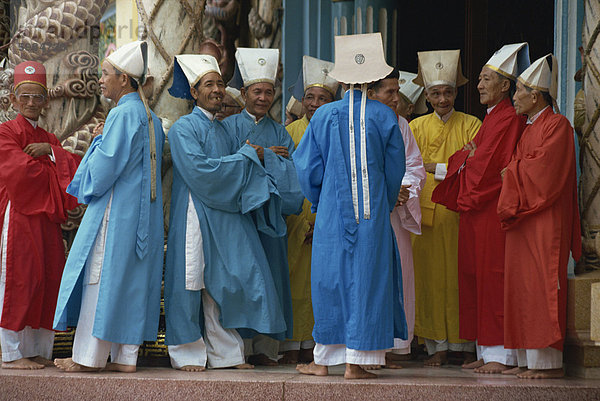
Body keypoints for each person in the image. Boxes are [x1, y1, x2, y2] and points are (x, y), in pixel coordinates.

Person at [295, 32, 407, 380]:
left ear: (341, 79)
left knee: (330, 281)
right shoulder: (385, 117)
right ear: (375, 79)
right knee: (368, 278)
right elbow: (395, 170)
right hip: (371, 215)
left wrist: (320, 199)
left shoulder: (324, 115)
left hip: (332, 213)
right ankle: (356, 362)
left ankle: (323, 360)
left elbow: (307, 168)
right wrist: (383, 201)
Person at [53, 41, 165, 373]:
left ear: (124, 79)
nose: (100, 80)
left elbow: (103, 170)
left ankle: (88, 358)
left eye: (105, 74)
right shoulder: (151, 118)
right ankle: (126, 357)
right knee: (131, 280)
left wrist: (98, 141)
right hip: (143, 219)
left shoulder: (121, 114)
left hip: (116, 214)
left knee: (99, 280)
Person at [432, 43, 529, 374]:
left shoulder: (509, 119)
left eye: (487, 79)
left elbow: (485, 165)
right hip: (477, 211)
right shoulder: (492, 118)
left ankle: (501, 354)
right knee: (476, 276)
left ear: (505, 85)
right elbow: (466, 156)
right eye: (480, 79)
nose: (479, 85)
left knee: (494, 277)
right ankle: (486, 350)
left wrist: (467, 158)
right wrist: (466, 157)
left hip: (491, 209)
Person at [498, 54, 581, 379]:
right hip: (522, 218)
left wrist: (513, 172)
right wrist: (515, 172)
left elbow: (544, 173)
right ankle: (525, 359)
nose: (514, 96)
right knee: (521, 287)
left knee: (541, 283)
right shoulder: (530, 127)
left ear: (536, 96)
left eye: (518, 90)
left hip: (544, 221)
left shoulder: (557, 125)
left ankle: (548, 364)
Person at [223, 47, 303, 366]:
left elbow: (295, 175)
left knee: (270, 279)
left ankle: (268, 349)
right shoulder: (227, 128)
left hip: (271, 221)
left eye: (269, 92)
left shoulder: (281, 132)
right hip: (240, 219)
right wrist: (260, 156)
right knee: (241, 279)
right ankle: (237, 348)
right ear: (243, 93)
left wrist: (267, 155)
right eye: (257, 91)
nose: (263, 97)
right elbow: (222, 167)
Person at [0, 61, 81, 369]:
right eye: (25, 97)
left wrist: (49, 154)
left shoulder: (50, 140)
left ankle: (35, 349)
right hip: (18, 215)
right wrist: (52, 164)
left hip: (45, 220)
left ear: (46, 100)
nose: (32, 103)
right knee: (19, 279)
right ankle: (12, 352)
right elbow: (20, 174)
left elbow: (71, 171)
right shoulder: (5, 132)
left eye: (37, 96)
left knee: (45, 278)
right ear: (13, 100)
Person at [409, 49, 481, 367]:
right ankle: (435, 346)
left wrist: (433, 167)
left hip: (460, 213)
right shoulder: (415, 128)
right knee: (429, 281)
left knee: (459, 278)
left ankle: (464, 345)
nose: (443, 99)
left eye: (448, 92)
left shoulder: (472, 125)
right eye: (436, 93)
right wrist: (444, 167)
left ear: (456, 92)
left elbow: (474, 166)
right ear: (426, 95)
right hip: (426, 215)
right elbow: (409, 168)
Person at [280, 55, 338, 365]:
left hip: (325, 217)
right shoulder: (289, 133)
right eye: (310, 97)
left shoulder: (337, 128)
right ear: (302, 100)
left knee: (321, 284)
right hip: (294, 218)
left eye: (323, 98)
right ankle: (292, 343)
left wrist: (321, 220)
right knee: (295, 283)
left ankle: (316, 343)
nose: (315, 104)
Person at [367, 69, 426, 365]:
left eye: (397, 91)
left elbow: (415, 165)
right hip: (367, 214)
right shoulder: (358, 122)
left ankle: (393, 345)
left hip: (395, 216)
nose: (395, 98)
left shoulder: (402, 124)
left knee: (398, 275)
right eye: (389, 92)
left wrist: (405, 190)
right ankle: (366, 344)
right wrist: (387, 191)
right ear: (371, 93)